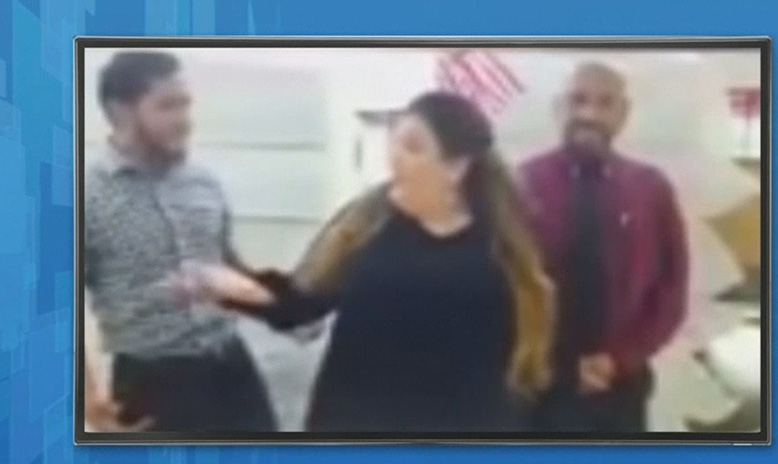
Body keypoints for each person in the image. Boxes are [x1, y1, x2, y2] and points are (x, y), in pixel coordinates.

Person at [198, 92, 556, 432]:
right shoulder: (368, 219)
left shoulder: (501, 248)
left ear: (456, 167)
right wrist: (233, 288)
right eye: (394, 142)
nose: (394, 157)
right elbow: (303, 301)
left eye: (412, 147)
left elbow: (522, 358)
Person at [83, 51, 276, 432]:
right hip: (153, 383)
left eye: (186, 104)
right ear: (120, 111)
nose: (184, 120)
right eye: (167, 106)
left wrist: (289, 305)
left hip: (233, 368)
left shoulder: (204, 182)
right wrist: (88, 398)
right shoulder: (85, 194)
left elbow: (229, 266)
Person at [519, 63, 689, 432]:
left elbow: (671, 290)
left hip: (620, 386)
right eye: (578, 100)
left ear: (623, 114)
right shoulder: (523, 183)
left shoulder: (650, 188)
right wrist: (545, 359)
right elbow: (504, 281)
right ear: (559, 108)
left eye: (605, 103)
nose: (590, 114)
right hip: (538, 385)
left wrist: (619, 358)